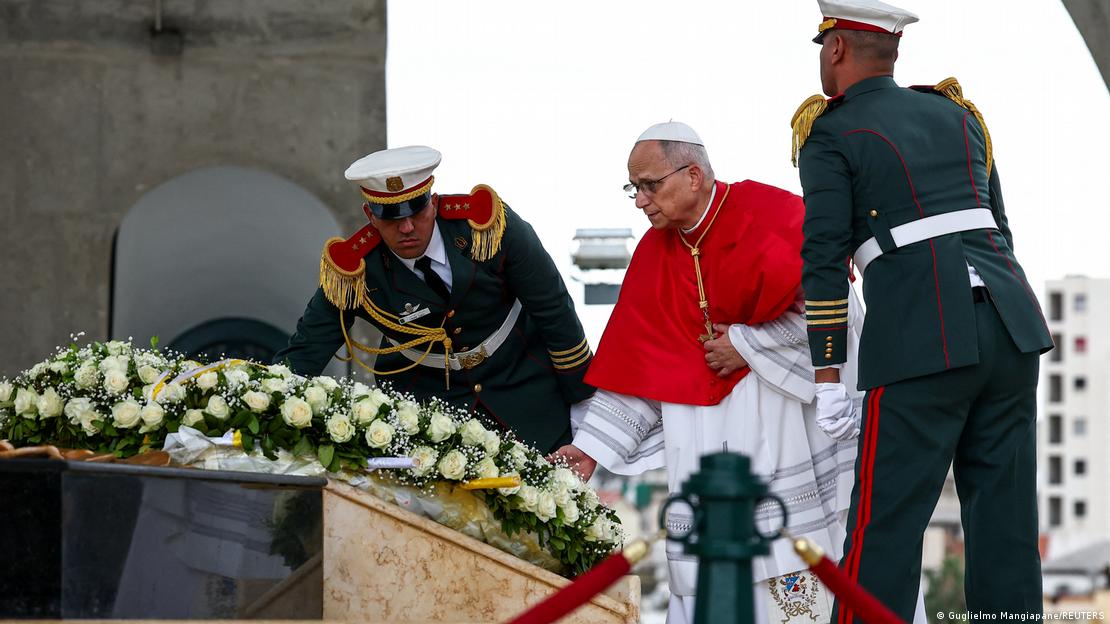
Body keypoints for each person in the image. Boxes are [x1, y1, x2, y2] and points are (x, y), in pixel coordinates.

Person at [792, 0, 1054, 620]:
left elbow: (824, 259)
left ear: (836, 49)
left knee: (883, 527)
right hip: (1013, 327)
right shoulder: (957, 116)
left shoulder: (830, 132)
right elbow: (1001, 230)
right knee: (1006, 526)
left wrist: (827, 373)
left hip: (922, 337)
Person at [551, 121, 866, 623]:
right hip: (696, 435)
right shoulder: (654, 254)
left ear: (693, 175)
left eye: (650, 185)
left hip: (776, 417)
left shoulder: (772, 214)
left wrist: (747, 343)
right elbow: (644, 369)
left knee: (790, 576)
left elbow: (835, 309)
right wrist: (588, 450)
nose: (640, 201)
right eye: (634, 188)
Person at [275, 146, 595, 454]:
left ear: (435, 202)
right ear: (369, 215)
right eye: (390, 217)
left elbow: (553, 309)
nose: (407, 227)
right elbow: (307, 349)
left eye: (416, 210)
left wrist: (585, 411)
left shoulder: (488, 226)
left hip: (528, 396)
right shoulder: (354, 270)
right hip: (429, 419)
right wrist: (262, 405)